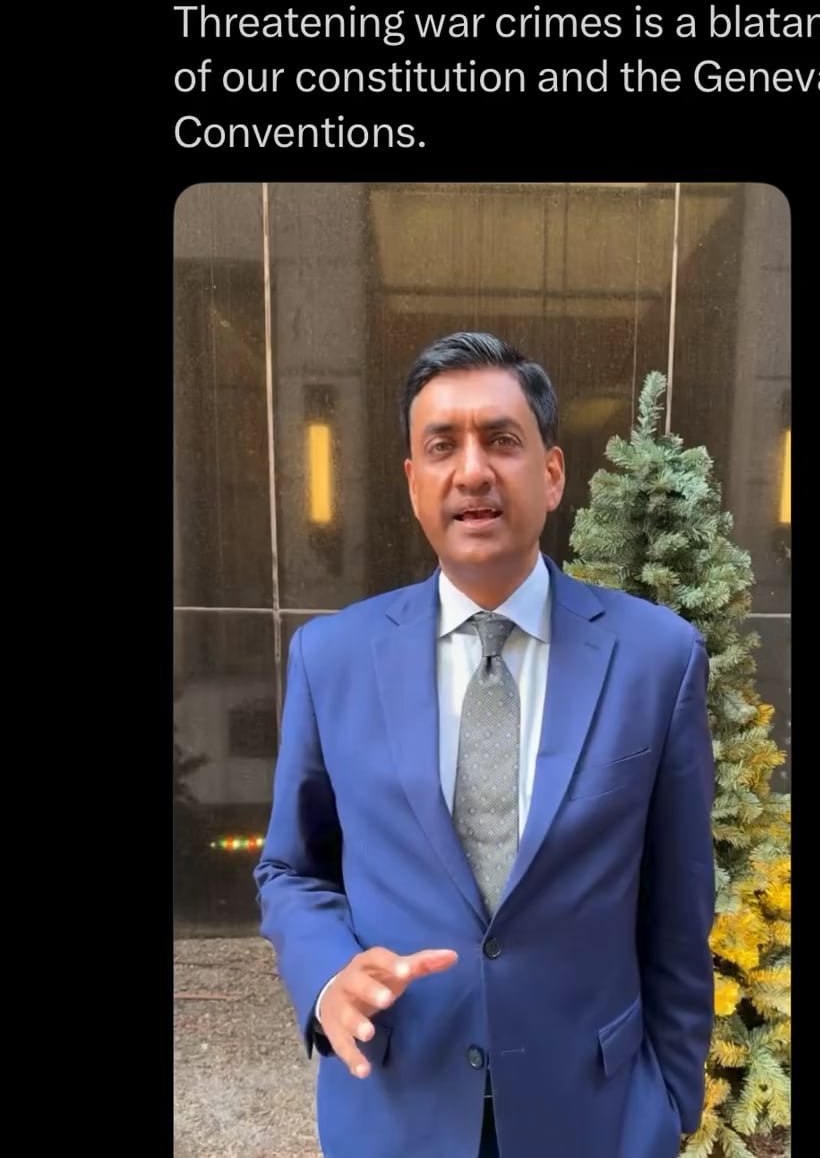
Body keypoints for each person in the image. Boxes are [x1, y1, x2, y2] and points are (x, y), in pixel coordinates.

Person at [255, 333, 715, 1158]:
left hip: (599, 1116)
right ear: (413, 483)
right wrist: (326, 977)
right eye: (442, 446)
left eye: (501, 440)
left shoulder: (656, 658)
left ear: (552, 473)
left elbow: (678, 904)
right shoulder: (333, 659)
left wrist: (675, 1101)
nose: (472, 471)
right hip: (397, 1107)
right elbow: (292, 869)